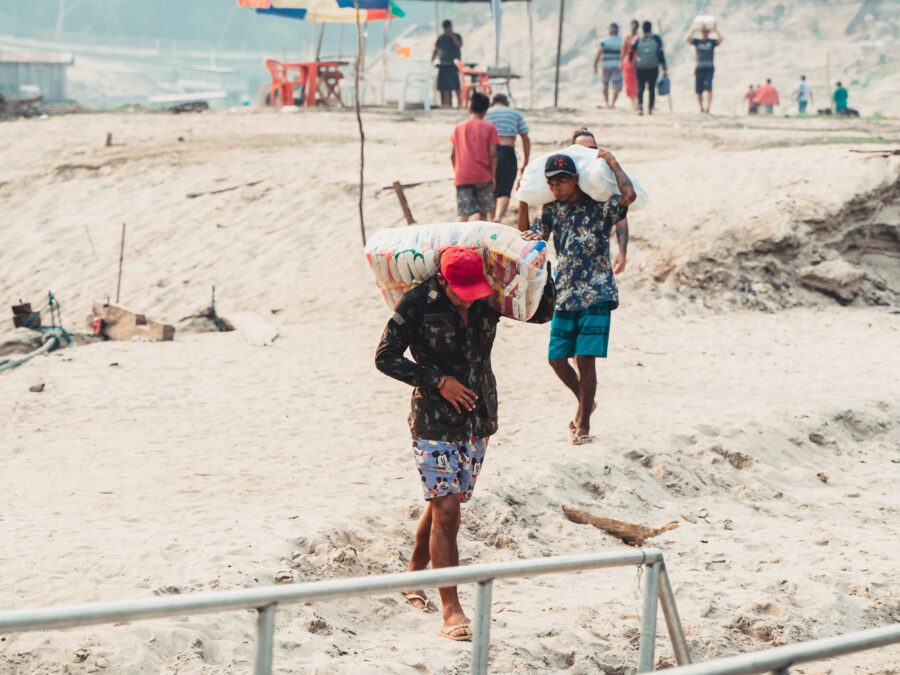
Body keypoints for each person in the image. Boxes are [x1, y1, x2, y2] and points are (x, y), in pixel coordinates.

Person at [375, 246, 554, 641]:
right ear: (443, 279)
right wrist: (438, 380)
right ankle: (451, 610)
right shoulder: (417, 303)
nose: (469, 299)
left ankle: (412, 575)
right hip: (433, 421)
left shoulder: (488, 295)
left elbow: (542, 314)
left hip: (478, 417)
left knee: (447, 500)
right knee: (447, 508)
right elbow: (385, 357)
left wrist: (542, 266)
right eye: (462, 292)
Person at [522, 151, 636, 444]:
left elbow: (628, 196)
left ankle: (583, 422)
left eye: (561, 181)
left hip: (597, 291)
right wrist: (522, 198)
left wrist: (613, 162)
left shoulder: (599, 207)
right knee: (557, 359)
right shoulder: (551, 211)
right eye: (551, 183)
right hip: (565, 293)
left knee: (585, 358)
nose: (556, 188)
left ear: (575, 179)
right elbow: (531, 238)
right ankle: (587, 402)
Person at [450, 92, 498, 222]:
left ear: (470, 107)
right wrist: (493, 175)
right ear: (486, 110)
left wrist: (458, 172)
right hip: (483, 176)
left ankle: (456, 236)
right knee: (483, 214)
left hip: (462, 176)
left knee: (463, 214)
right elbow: (493, 154)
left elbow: (452, 155)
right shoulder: (489, 127)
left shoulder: (459, 127)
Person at [485, 93, 530, 223]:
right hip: (507, 152)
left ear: (492, 102)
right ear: (507, 102)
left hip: (489, 153)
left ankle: (491, 219)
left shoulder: (486, 113)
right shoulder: (515, 114)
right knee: (505, 190)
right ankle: (498, 218)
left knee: (491, 189)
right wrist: (525, 162)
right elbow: (525, 138)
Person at [630, 21, 667, 115]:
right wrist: (664, 66)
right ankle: (650, 108)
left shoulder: (637, 38)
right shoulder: (656, 38)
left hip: (640, 67)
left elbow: (631, 50)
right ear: (651, 28)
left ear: (642, 29)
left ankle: (640, 107)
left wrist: (631, 61)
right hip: (653, 66)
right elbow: (661, 53)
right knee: (651, 88)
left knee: (640, 87)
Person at [685, 25, 723, 113]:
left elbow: (721, 40)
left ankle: (708, 108)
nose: (705, 33)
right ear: (700, 32)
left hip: (709, 68)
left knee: (709, 88)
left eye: (706, 32)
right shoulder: (697, 41)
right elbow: (687, 40)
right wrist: (693, 30)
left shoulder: (711, 42)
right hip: (699, 68)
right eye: (703, 32)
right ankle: (701, 108)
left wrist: (715, 30)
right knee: (699, 90)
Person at [433, 20, 463, 108]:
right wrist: (432, 59)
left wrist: (452, 35)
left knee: (456, 85)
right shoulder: (441, 38)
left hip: (454, 65)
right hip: (443, 65)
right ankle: (446, 104)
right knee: (444, 86)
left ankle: (460, 103)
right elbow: (436, 49)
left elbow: (459, 45)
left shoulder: (456, 36)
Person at [594, 23, 623, 108]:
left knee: (605, 84)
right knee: (616, 85)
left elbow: (599, 54)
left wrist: (595, 65)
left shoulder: (605, 41)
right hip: (617, 65)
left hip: (605, 65)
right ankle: (613, 104)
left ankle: (607, 103)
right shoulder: (621, 41)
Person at [620, 20, 639, 111]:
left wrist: (621, 63)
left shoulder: (627, 37)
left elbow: (623, 52)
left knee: (629, 84)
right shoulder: (639, 37)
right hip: (637, 62)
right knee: (637, 83)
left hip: (628, 63)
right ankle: (636, 103)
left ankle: (633, 104)